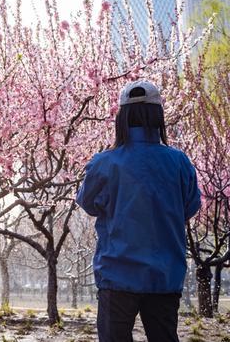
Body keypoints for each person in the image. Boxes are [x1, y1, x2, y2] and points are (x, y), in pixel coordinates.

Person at [76, 80, 201, 342]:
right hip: (164, 276)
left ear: (122, 118)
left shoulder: (105, 163)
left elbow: (87, 202)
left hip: (117, 274)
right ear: (159, 117)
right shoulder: (179, 162)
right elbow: (190, 207)